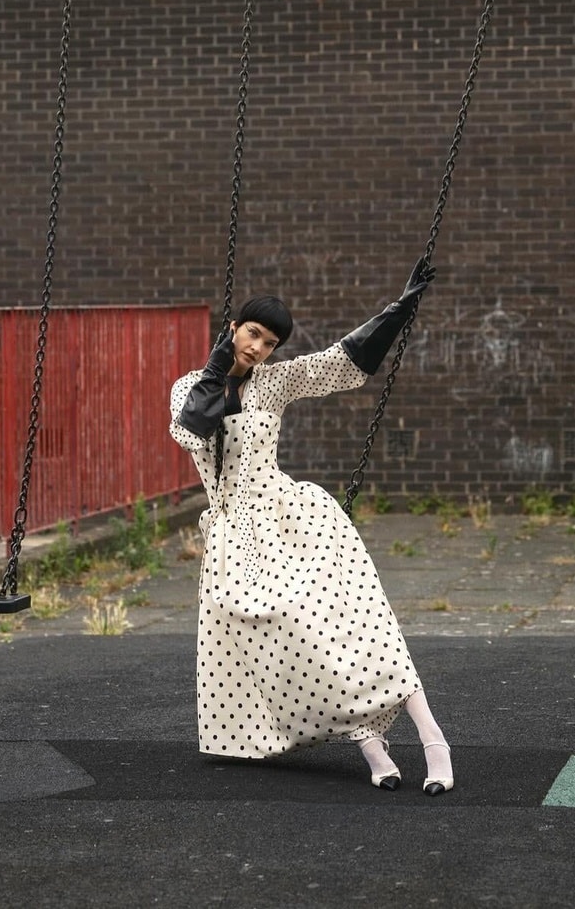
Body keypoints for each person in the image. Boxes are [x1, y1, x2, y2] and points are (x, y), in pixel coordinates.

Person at [168, 259, 454, 795]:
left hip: (288, 516)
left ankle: (432, 737)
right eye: (253, 334)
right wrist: (216, 370)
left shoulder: (275, 382)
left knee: (356, 620)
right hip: (233, 534)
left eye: (270, 343)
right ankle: (370, 743)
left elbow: (340, 362)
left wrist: (398, 310)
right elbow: (190, 432)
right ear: (233, 328)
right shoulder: (189, 386)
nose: (258, 349)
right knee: (296, 641)